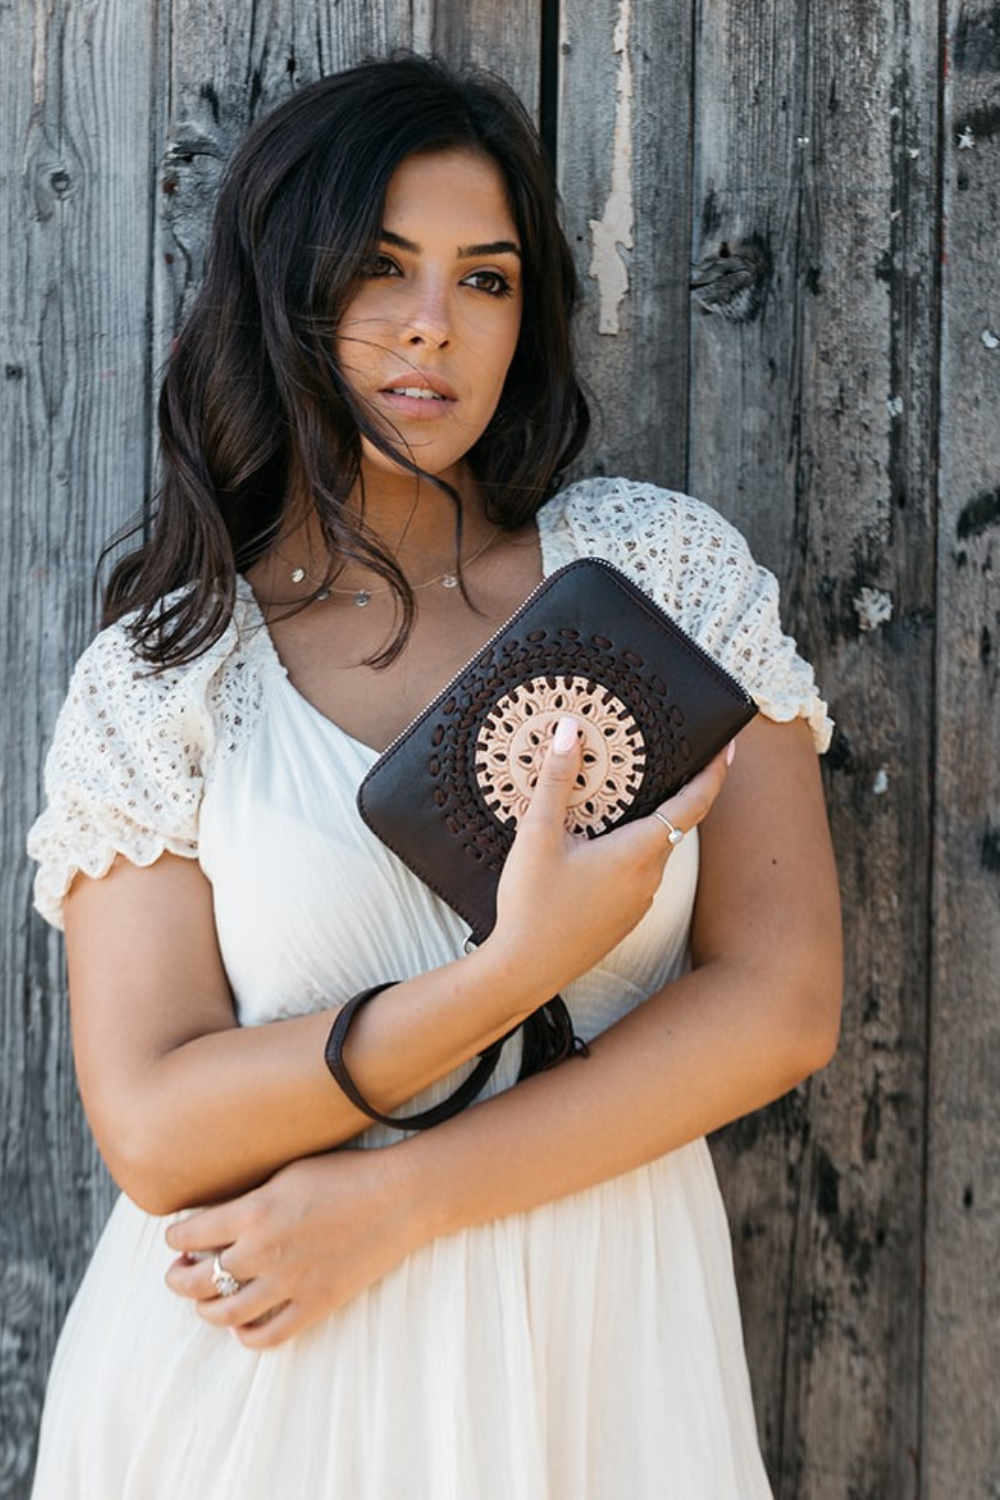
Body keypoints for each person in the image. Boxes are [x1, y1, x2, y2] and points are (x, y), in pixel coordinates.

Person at [27, 53, 841, 1498]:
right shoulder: (167, 676)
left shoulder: (655, 575)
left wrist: (402, 1200)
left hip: (602, 1356)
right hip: (265, 1376)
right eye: (381, 268)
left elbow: (781, 1005)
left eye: (485, 279)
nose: (432, 325)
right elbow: (152, 1128)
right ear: (286, 291)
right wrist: (508, 974)